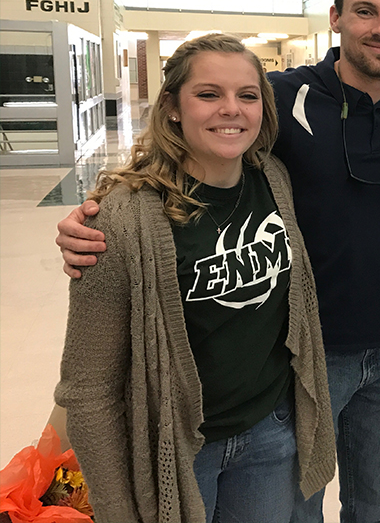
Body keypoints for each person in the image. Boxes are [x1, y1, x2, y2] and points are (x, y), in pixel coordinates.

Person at [55, 0, 380, 523]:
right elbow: (207, 132)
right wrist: (100, 211)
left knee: (375, 508)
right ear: (335, 17)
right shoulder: (281, 94)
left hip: (377, 351)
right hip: (306, 357)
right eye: (365, 10)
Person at [54, 33, 335, 523]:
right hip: (181, 449)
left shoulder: (273, 179)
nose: (231, 109)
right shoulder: (119, 219)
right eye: (209, 94)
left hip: (270, 430)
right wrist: (116, 510)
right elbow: (87, 390)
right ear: (173, 108)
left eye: (247, 96)